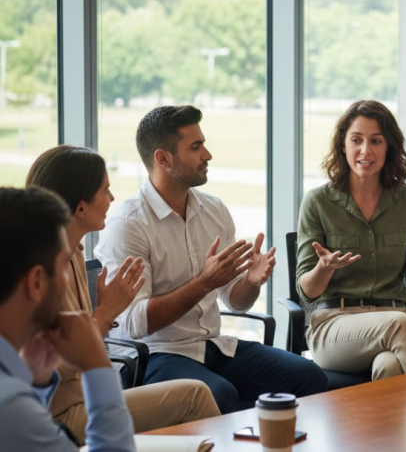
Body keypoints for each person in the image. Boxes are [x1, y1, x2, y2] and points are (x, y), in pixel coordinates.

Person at [95, 106, 326, 413]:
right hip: (155, 355)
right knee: (220, 394)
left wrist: (250, 282)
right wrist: (205, 282)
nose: (208, 154)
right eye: (195, 147)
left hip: (213, 346)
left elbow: (236, 301)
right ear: (162, 159)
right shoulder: (129, 225)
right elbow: (137, 323)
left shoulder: (214, 210)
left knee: (309, 377)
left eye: (203, 143)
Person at [27, 145, 221, 443]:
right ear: (81, 208)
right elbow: (52, 367)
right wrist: (105, 314)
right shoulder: (42, 272)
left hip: (87, 397)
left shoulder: (74, 254)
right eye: (105, 191)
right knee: (195, 395)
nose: (112, 199)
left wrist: (104, 313)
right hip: (61, 414)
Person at [296, 100, 406, 380]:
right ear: (342, 146)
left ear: (389, 147)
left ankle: (384, 425)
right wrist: (324, 268)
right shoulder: (318, 201)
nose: (365, 150)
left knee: (389, 366)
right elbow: (307, 292)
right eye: (356, 140)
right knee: (398, 325)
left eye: (376, 141)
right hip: (336, 328)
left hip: (396, 324)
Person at [0, 186, 135, 451]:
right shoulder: (9, 407)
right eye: (63, 266)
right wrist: (97, 366)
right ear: (37, 282)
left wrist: (37, 382)